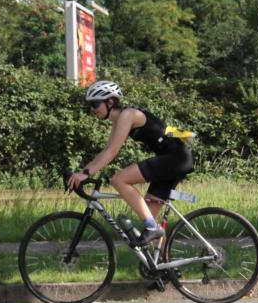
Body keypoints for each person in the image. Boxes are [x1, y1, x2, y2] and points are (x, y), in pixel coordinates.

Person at [66, 80, 194, 245]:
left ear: (110, 102)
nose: (92, 110)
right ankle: (164, 268)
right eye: (91, 105)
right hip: (174, 159)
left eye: (95, 104)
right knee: (150, 218)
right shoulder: (120, 120)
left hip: (176, 159)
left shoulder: (128, 115)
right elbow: (105, 152)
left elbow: (112, 153)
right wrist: (83, 172)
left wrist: (85, 174)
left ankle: (152, 228)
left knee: (119, 179)